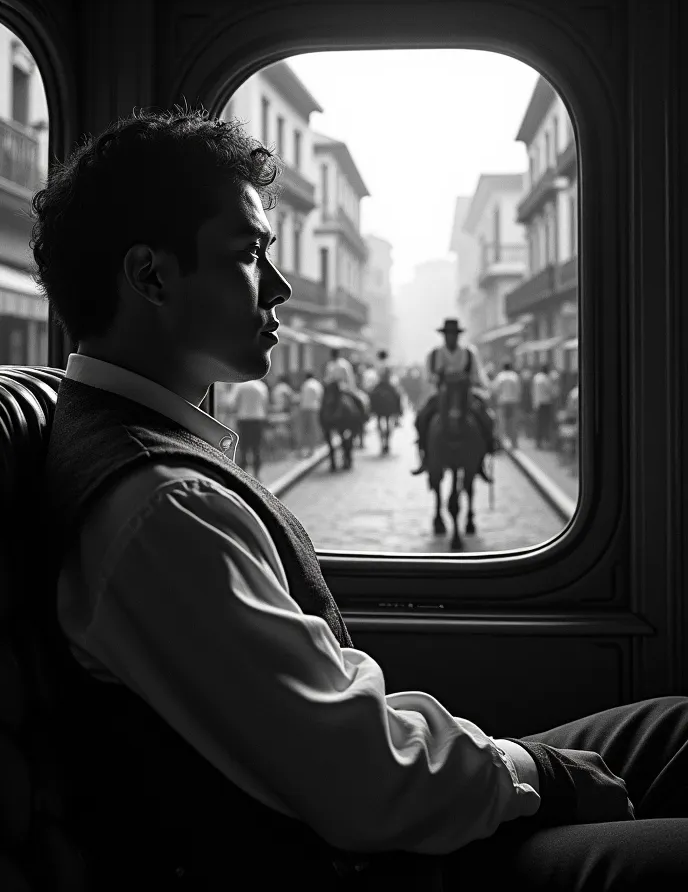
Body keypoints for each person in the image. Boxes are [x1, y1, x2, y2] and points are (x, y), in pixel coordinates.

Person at [35, 109, 688, 889]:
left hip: (349, 809)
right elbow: (359, 778)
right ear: (151, 276)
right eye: (249, 254)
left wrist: (500, 759)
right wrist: (540, 775)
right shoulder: (162, 509)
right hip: (343, 864)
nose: (278, 286)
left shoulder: (151, 465)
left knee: (675, 725)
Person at [411, 318, 498, 476]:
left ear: (458, 336)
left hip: (465, 395)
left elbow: (477, 376)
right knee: (422, 417)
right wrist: (442, 378)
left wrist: (469, 381)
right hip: (442, 395)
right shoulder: (435, 354)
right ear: (444, 336)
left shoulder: (469, 354)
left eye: (454, 335)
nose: (451, 337)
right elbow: (429, 377)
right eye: (448, 334)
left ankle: (484, 454)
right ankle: (425, 453)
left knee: (485, 417)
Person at [230, 375, 269, 479]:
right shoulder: (261, 386)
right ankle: (257, 475)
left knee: (243, 448)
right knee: (257, 448)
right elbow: (265, 404)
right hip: (258, 419)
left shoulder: (240, 386)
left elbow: (232, 403)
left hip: (244, 419)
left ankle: (243, 476)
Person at [492, 360, 522, 450]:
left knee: (502, 423)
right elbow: (519, 390)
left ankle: (501, 444)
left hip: (503, 402)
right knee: (513, 422)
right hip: (513, 402)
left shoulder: (500, 376)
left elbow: (495, 389)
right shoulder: (515, 376)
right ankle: (514, 443)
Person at [299, 370, 324, 457]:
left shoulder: (305, 384)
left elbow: (301, 397)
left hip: (304, 407)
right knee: (313, 429)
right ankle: (312, 449)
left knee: (304, 429)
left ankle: (302, 449)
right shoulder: (317, 384)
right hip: (314, 408)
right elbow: (320, 397)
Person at [532, 364, 555, 449]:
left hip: (537, 403)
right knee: (545, 424)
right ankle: (545, 442)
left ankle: (538, 442)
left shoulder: (536, 377)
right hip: (545, 403)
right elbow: (551, 391)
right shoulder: (546, 378)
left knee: (538, 424)